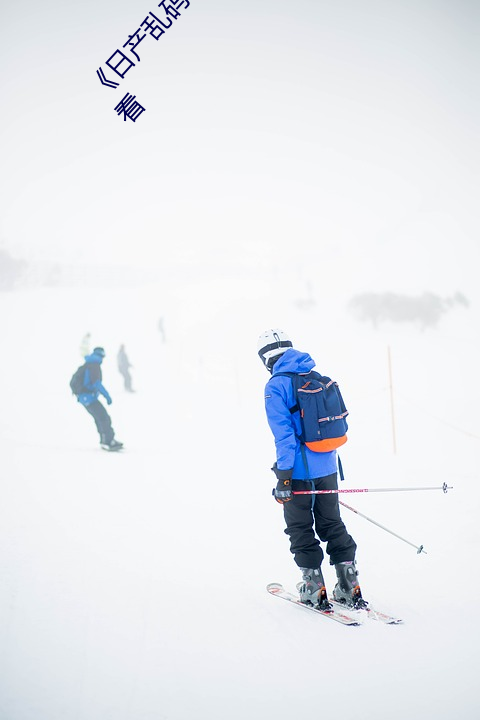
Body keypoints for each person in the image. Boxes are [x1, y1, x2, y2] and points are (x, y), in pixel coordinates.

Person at [258, 328, 366, 610]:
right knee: (331, 523)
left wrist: (284, 478)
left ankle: (313, 588)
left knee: (300, 527)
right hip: (328, 466)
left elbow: (284, 437)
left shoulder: (275, 386)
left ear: (266, 358)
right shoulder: (315, 377)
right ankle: (349, 585)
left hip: (298, 472)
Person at [76, 346, 123, 451]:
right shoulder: (94, 365)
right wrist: (107, 396)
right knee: (104, 418)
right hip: (89, 398)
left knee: (100, 418)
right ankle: (108, 441)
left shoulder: (89, 363)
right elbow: (96, 383)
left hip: (85, 398)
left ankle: (104, 440)